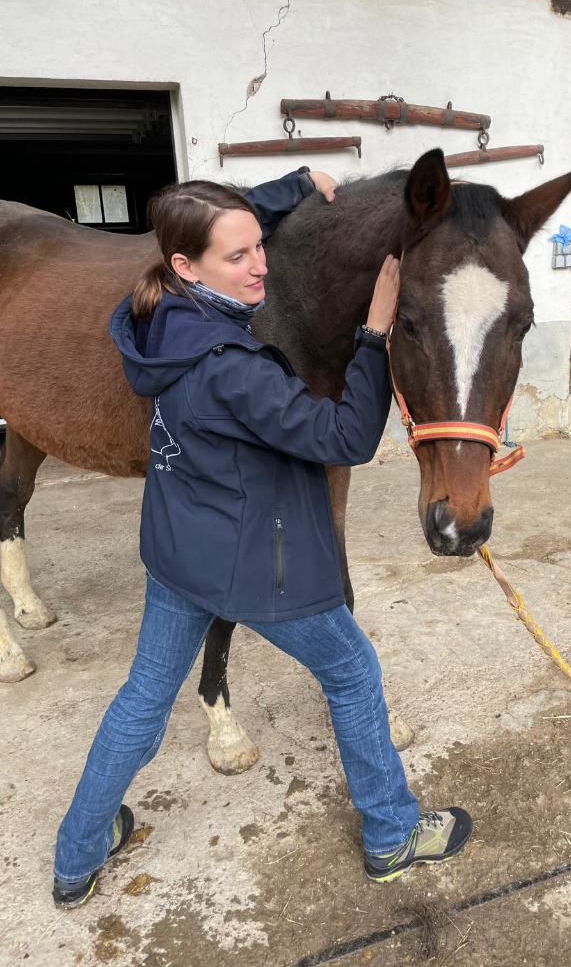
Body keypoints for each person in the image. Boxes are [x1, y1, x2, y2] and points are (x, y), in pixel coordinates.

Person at [52, 169, 472, 907]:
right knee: (352, 672)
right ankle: (392, 835)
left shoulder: (157, 316)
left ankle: (77, 854)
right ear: (187, 265)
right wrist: (373, 337)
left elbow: (221, 231)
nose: (260, 266)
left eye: (259, 248)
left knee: (145, 696)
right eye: (239, 256)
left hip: (179, 548)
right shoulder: (232, 366)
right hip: (256, 560)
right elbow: (341, 437)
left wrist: (293, 187)